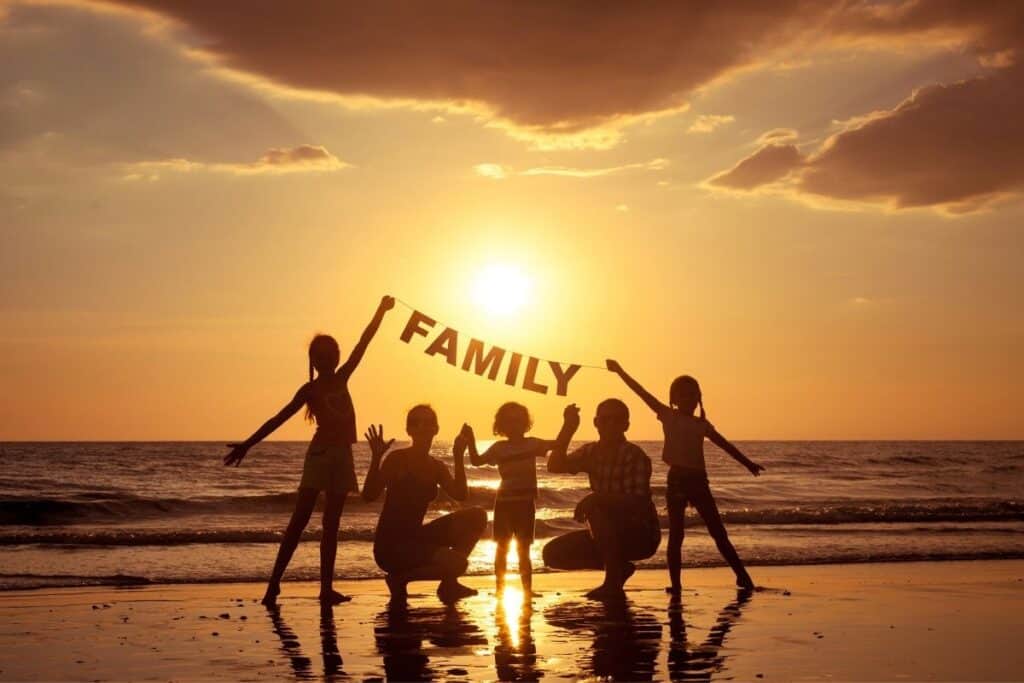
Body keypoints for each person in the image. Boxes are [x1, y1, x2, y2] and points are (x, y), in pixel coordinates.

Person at [223, 295, 395, 606]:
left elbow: (365, 341)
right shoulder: (310, 390)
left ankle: (325, 589)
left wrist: (381, 311)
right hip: (320, 456)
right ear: (313, 361)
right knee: (299, 520)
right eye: (320, 355)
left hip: (343, 456)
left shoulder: (343, 376)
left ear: (337, 356)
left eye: (331, 353)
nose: (327, 358)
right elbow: (278, 418)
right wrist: (248, 444)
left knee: (332, 526)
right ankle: (273, 585)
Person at [606, 360, 764, 593]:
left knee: (718, 532)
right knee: (676, 535)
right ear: (674, 399)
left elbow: (724, 445)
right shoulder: (667, 415)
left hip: (699, 481)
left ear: (698, 397)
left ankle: (743, 577)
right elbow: (641, 392)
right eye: (683, 395)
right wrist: (620, 371)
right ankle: (676, 585)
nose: (688, 398)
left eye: (692, 394)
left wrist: (748, 463)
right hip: (677, 479)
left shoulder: (702, 425)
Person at [362, 405, 487, 604]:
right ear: (409, 430)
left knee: (478, 516)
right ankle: (400, 578)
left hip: (416, 538)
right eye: (415, 422)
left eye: (428, 422)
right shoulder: (397, 459)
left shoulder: (436, 466)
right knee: (458, 563)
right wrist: (376, 457)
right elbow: (368, 495)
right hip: (391, 548)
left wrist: (457, 456)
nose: (422, 426)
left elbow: (461, 495)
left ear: (436, 429)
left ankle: (449, 583)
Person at [544, 401, 661, 600]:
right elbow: (555, 466)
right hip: (606, 533)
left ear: (626, 425)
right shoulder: (591, 451)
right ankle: (619, 568)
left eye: (617, 420)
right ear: (596, 423)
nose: (610, 425)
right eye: (605, 420)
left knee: (596, 507)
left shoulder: (635, 455)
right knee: (553, 554)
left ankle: (612, 581)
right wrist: (568, 428)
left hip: (641, 534)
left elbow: (638, 501)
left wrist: (597, 498)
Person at [464, 402, 553, 597]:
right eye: (509, 421)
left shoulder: (533, 444)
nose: (514, 425)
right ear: (502, 426)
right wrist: (470, 440)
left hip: (526, 503)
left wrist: (569, 425)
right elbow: (477, 461)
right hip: (504, 503)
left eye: (518, 420)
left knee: (524, 548)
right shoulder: (499, 448)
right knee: (502, 548)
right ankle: (499, 589)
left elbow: (558, 444)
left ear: (525, 423)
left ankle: (527, 590)